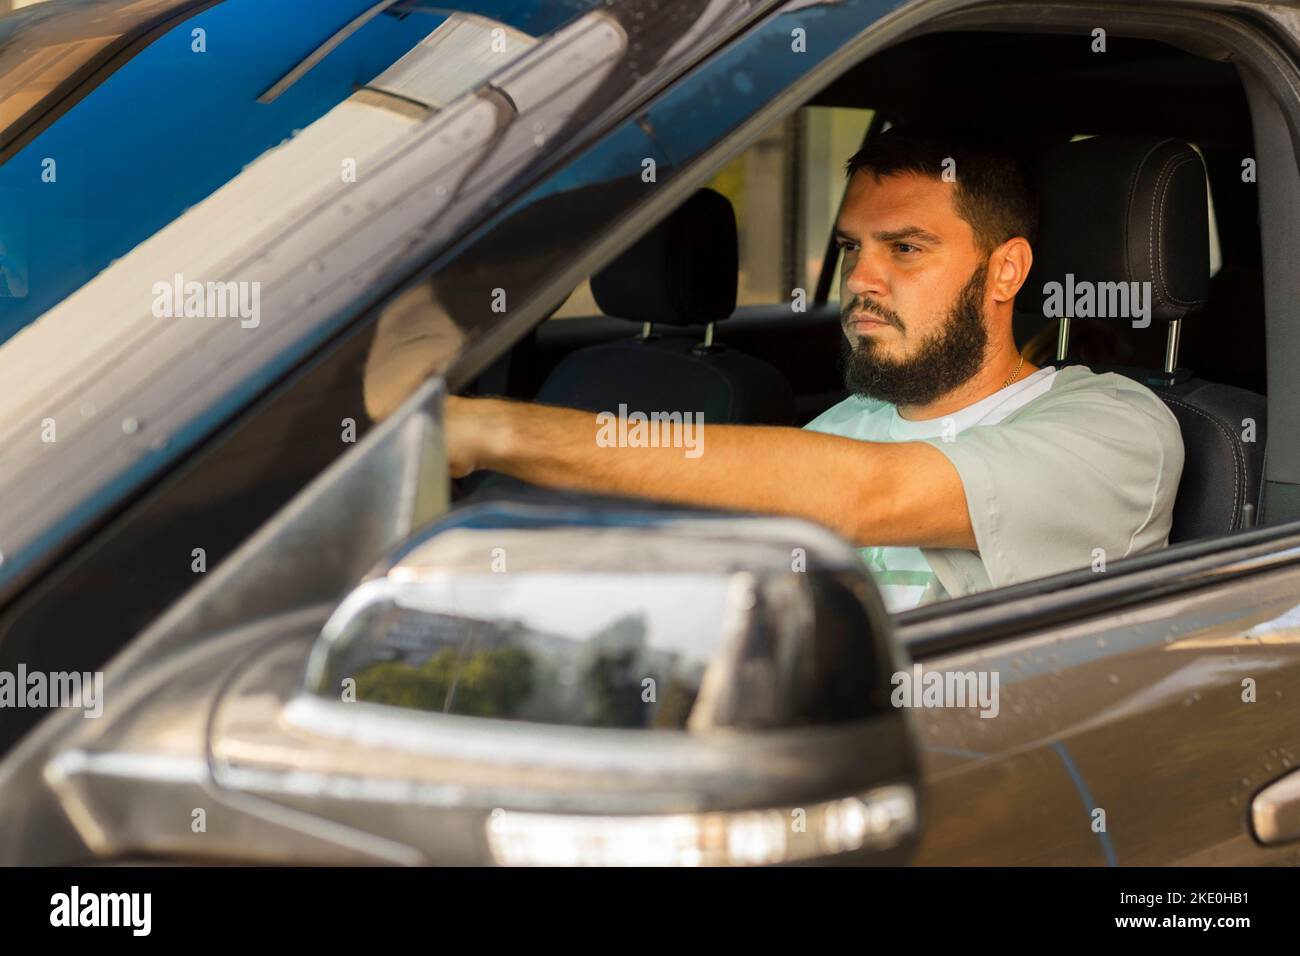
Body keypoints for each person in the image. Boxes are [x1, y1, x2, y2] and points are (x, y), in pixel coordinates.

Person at [443, 128, 1184, 611]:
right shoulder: (843, 426)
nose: (860, 278)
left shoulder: (1118, 430)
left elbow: (870, 496)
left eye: (905, 248)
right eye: (852, 248)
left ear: (1005, 271)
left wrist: (496, 432)